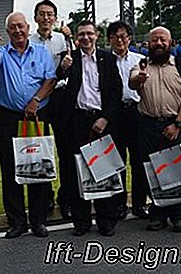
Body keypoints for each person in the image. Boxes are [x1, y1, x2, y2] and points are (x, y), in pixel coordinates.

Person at [0, 11, 56, 239]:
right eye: (13, 28)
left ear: (28, 28)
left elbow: (50, 79)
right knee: (10, 169)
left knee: (37, 166)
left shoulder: (41, 52)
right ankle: (16, 221)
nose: (17, 31)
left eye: (21, 26)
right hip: (8, 117)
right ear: (7, 32)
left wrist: (36, 101)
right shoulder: (1, 53)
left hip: (36, 116)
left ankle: (38, 221)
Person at [58, 20, 122, 236]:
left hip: (101, 120)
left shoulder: (107, 58)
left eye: (89, 34)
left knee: (103, 170)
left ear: (97, 36)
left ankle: (106, 219)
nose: (85, 38)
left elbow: (115, 92)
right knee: (77, 171)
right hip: (77, 121)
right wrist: (62, 69)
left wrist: (106, 118)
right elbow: (58, 81)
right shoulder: (69, 59)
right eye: (81, 34)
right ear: (76, 38)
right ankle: (81, 220)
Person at [129, 26, 181, 233]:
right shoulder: (141, 65)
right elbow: (132, 83)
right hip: (148, 124)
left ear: (171, 43)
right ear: (148, 44)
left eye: (163, 40)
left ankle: (179, 215)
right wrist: (138, 79)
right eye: (154, 40)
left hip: (173, 123)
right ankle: (157, 213)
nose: (158, 43)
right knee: (151, 169)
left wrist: (177, 123)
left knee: (176, 171)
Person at [28, 0, 73, 218]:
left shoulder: (63, 39)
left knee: (65, 150)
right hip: (40, 99)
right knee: (41, 150)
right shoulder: (29, 42)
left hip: (62, 98)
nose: (46, 18)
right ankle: (44, 198)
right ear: (35, 18)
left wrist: (70, 39)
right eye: (42, 14)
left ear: (55, 17)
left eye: (50, 14)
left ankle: (66, 198)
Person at [106, 21, 148, 220]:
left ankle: (139, 204)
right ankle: (119, 204)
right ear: (109, 40)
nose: (119, 40)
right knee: (117, 161)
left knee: (139, 160)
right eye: (115, 36)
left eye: (123, 36)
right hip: (115, 114)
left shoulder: (140, 60)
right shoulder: (104, 61)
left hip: (136, 113)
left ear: (130, 38)